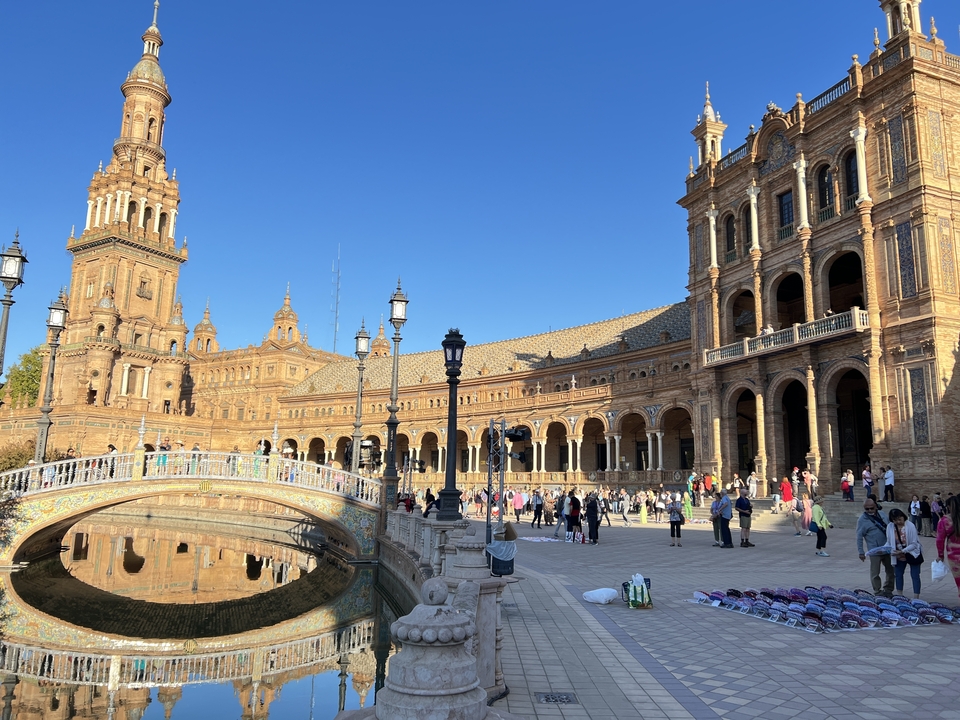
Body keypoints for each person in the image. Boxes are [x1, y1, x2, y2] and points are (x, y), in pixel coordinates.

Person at [856, 498, 895, 598]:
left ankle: (888, 589)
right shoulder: (862, 520)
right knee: (875, 572)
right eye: (867, 509)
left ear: (876, 506)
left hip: (886, 547)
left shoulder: (882, 515)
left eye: (871, 508)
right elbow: (859, 537)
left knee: (891, 571)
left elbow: (890, 528)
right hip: (874, 550)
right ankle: (877, 591)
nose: (869, 511)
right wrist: (861, 552)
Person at [886, 508, 923, 598]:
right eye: (895, 520)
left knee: (915, 575)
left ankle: (916, 596)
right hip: (898, 555)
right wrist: (886, 549)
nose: (898, 522)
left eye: (899, 519)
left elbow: (914, 543)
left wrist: (903, 551)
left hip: (912, 553)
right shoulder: (890, 527)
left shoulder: (910, 526)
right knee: (898, 575)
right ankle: (900, 595)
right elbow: (889, 541)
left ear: (903, 517)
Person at [935, 495, 960, 600]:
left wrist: (940, 556)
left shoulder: (944, 520)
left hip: (954, 556)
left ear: (949, 507)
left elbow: (939, 540)